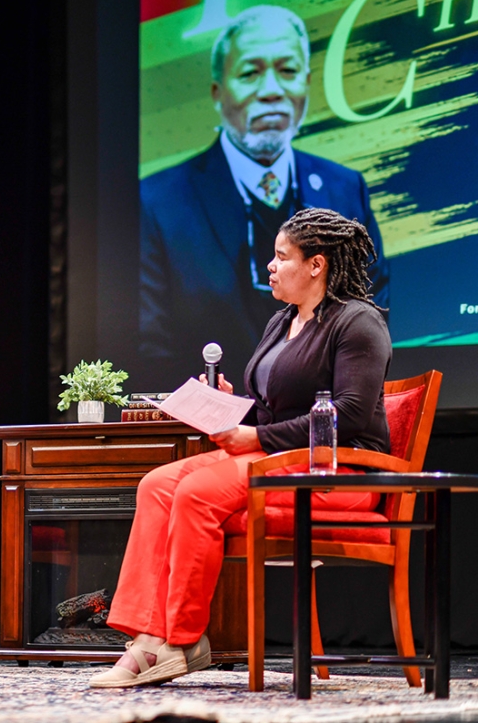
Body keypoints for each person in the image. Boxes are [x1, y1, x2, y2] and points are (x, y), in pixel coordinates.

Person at [91, 207, 391, 688]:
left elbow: (349, 414)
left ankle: (183, 640)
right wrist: (232, 409)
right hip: (279, 458)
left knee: (198, 493)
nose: (269, 267)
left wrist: (258, 436)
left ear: (316, 265)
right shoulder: (281, 322)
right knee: (158, 484)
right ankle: (148, 635)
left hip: (337, 472)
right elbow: (273, 411)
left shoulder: (358, 323)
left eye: (280, 256)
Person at [139, 5, 388, 391]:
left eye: (287, 71)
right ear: (217, 93)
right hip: (212, 422)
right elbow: (151, 344)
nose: (271, 90)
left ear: (306, 83)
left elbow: (371, 309)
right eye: (250, 72)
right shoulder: (159, 201)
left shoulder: (345, 189)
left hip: (322, 417)